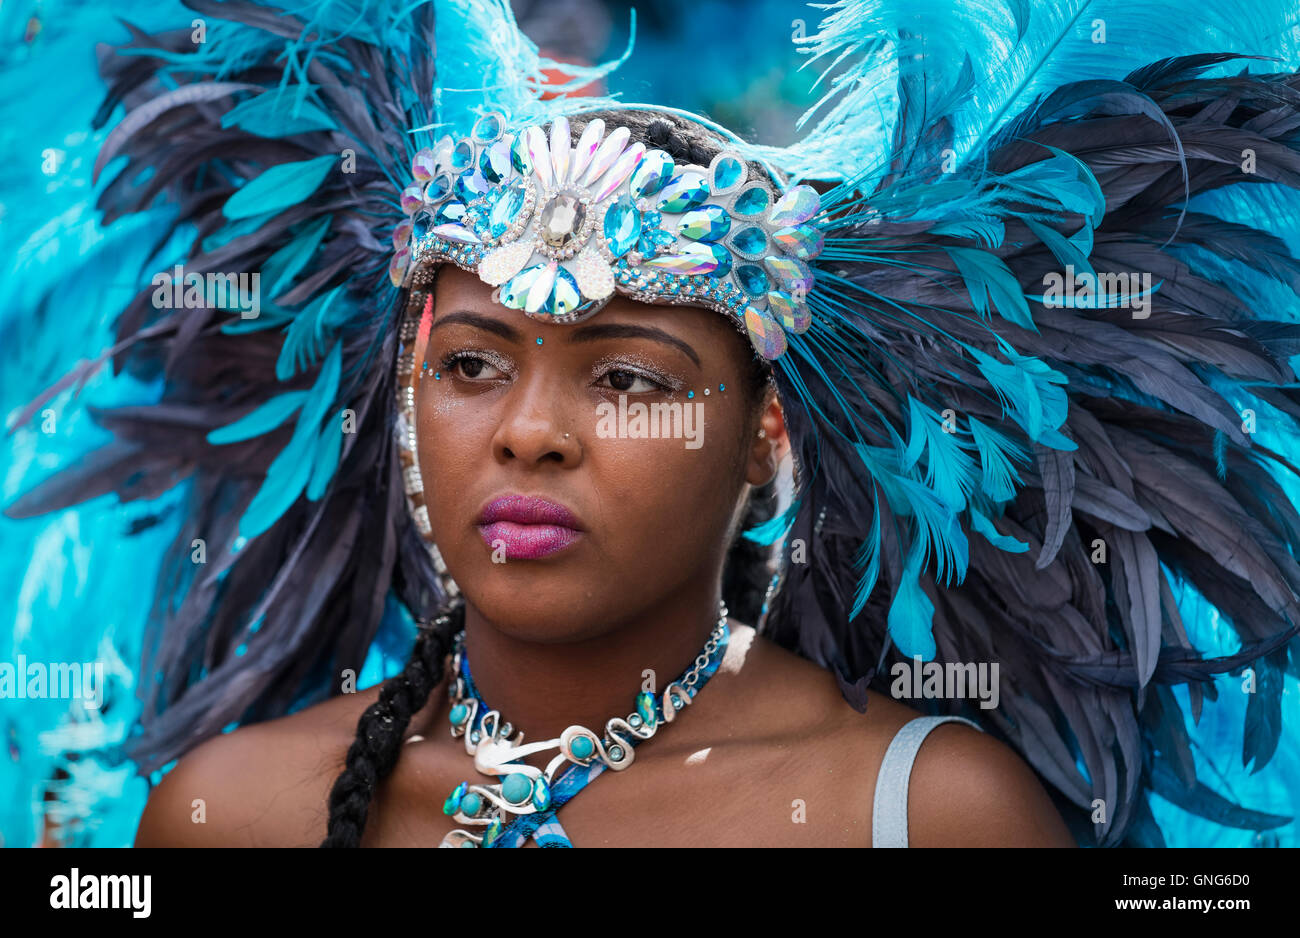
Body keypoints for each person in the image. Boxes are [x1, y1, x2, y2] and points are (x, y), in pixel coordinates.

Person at [7, 0, 1300, 848]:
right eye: (471, 364)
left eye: (627, 378)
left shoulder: (924, 812)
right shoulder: (226, 814)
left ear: (765, 443)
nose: (529, 433)